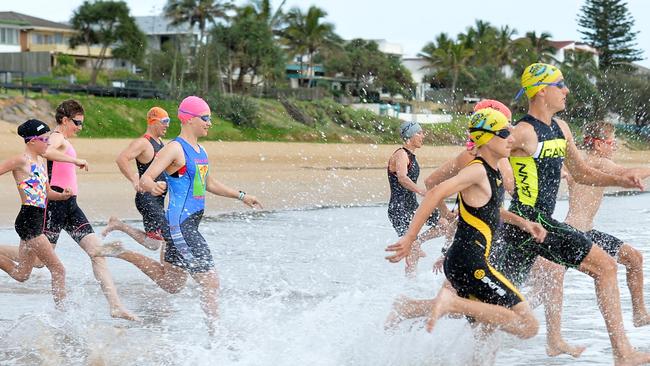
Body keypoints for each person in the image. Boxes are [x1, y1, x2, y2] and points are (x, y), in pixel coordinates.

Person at [492, 63, 650, 365]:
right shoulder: (523, 133)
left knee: (490, 307)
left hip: (536, 227)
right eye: (559, 85)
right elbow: (486, 158)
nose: (566, 91)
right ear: (541, 90)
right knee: (605, 267)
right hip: (528, 223)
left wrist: (621, 179)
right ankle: (623, 353)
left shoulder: (561, 129)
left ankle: (424, 312)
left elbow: (583, 172)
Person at [95, 96, 262, 334]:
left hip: (188, 224)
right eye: (205, 118)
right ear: (190, 119)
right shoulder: (174, 148)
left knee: (171, 283)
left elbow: (208, 182)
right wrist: (153, 187)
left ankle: (122, 252)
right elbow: (146, 178)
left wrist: (241, 196)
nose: (209, 123)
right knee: (211, 281)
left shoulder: (200, 150)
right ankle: (216, 338)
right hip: (181, 226)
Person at [385, 107, 546, 347]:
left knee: (486, 328)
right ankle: (451, 303)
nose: (511, 137)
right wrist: (410, 238)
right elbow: (435, 191)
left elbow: (490, 210)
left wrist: (524, 222)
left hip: (464, 259)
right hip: (470, 261)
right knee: (528, 325)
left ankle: (409, 307)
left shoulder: (493, 171)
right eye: (504, 132)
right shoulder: (477, 169)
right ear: (486, 138)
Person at [527, 121, 650, 358]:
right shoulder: (597, 161)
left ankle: (640, 313)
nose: (613, 148)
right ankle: (505, 315)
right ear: (597, 144)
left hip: (587, 231)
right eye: (611, 143)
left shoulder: (580, 162)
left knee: (633, 258)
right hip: (575, 231)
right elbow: (627, 173)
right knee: (546, 290)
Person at [0, 119, 80, 308]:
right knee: (58, 269)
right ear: (31, 141)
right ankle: (63, 315)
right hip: (29, 220)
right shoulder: (21, 160)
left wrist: (63, 196)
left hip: (36, 218)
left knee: (22, 274)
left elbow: (48, 193)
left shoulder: (41, 161)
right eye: (44, 139)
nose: (48, 143)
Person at [387, 121, 452, 276]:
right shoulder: (401, 154)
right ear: (410, 136)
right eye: (420, 133)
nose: (423, 136)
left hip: (412, 207)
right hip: (399, 208)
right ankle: (410, 284)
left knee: (443, 224)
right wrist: (422, 192)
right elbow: (402, 178)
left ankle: (418, 242)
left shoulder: (411, 155)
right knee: (412, 253)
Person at [102, 107, 170, 252]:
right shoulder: (143, 143)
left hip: (157, 199)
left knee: (154, 243)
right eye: (164, 121)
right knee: (168, 233)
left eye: (168, 121)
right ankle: (168, 272)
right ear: (153, 121)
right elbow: (122, 159)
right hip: (147, 198)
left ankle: (118, 225)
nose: (167, 125)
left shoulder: (160, 142)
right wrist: (134, 179)